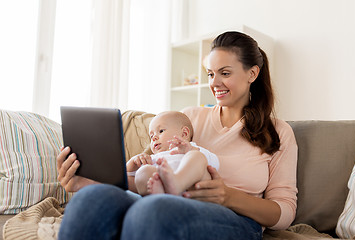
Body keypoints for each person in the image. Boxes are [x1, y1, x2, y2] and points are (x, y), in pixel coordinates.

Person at [57, 31, 298, 240]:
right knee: (93, 200)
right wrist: (85, 182)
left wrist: (228, 196)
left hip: (236, 219)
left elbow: (284, 212)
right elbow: (149, 176)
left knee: (152, 211)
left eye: (224, 73)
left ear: (252, 74)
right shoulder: (187, 118)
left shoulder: (278, 132)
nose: (215, 83)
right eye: (210, 74)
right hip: (165, 200)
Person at [126, 111, 219, 196]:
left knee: (197, 156)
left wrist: (191, 150)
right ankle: (160, 192)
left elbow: (215, 163)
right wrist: (133, 163)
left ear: (184, 134)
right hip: (161, 189)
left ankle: (177, 183)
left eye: (161, 131)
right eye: (151, 136)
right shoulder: (154, 158)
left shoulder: (191, 148)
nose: (154, 138)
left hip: (193, 190)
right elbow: (128, 176)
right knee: (143, 171)